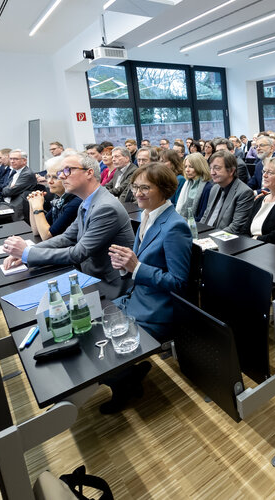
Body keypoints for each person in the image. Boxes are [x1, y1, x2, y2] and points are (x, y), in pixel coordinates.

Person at [103, 163, 192, 414]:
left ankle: (125, 385)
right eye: (135, 187)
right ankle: (128, 375)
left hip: (158, 308)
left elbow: (179, 283)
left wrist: (136, 267)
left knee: (107, 335)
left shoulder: (175, 226)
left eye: (145, 188)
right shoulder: (146, 216)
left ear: (163, 190)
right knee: (98, 323)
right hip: (138, 297)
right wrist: (125, 265)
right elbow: (139, 264)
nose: (137, 193)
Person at [1, 153, 134, 300]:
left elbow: (78, 253)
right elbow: (67, 237)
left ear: (89, 172)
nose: (62, 177)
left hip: (109, 286)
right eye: (60, 173)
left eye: (67, 171)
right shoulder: (87, 201)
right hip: (91, 276)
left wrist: (27, 254)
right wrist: (28, 251)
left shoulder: (106, 207)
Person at [26, 156, 81, 240]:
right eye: (48, 176)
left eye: (55, 177)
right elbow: (36, 231)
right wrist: (32, 203)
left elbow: (47, 236)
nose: (49, 181)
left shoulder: (75, 202)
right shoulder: (59, 199)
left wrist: (38, 207)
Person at [200, 150, 254, 233]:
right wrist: (199, 233)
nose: (212, 173)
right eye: (210, 168)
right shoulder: (214, 188)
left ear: (231, 171)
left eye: (217, 168)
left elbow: (235, 227)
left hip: (226, 241)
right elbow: (206, 216)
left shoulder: (244, 192)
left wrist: (209, 237)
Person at [176, 153, 213, 219]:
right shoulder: (188, 183)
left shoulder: (207, 188)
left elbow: (202, 215)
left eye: (191, 167)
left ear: (200, 167)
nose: (187, 170)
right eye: (185, 166)